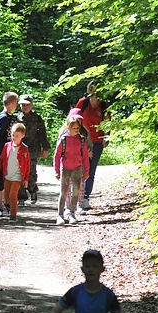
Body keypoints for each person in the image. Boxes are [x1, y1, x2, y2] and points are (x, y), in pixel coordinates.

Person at [74, 82, 110, 213]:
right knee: (81, 168)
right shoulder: (83, 103)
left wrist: (107, 137)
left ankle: (85, 198)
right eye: (92, 92)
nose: (94, 95)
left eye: (96, 92)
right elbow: (74, 119)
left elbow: (107, 123)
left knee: (91, 170)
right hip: (82, 141)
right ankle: (77, 197)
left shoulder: (104, 105)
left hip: (97, 143)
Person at [53, 112, 90, 226]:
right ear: (68, 128)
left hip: (77, 169)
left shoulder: (82, 140)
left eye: (77, 128)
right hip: (66, 169)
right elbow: (57, 155)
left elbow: (85, 156)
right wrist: (57, 170)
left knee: (76, 192)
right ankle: (60, 215)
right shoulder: (64, 140)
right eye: (73, 128)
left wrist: (87, 171)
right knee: (64, 192)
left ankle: (72, 214)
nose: (76, 130)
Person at [0, 122, 30, 222]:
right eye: (12, 135)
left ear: (22, 136)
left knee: (12, 195)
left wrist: (26, 178)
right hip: (8, 175)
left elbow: (27, 165)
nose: (14, 137)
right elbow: (1, 159)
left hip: (18, 176)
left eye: (17, 135)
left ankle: (13, 216)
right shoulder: (7, 146)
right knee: (7, 197)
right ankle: (8, 205)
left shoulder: (24, 149)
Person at [17, 94, 50, 204]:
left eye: (27, 105)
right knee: (20, 172)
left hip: (33, 149)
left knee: (31, 172)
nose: (25, 107)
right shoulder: (17, 118)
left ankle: (32, 190)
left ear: (31, 105)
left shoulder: (37, 118)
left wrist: (45, 147)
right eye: (22, 105)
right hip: (19, 150)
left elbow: (42, 134)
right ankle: (21, 196)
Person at [0, 91, 19, 217]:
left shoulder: (12, 118)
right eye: (16, 103)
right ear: (12, 103)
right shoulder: (3, 118)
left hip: (11, 154)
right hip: (1, 155)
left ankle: (7, 202)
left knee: (9, 178)